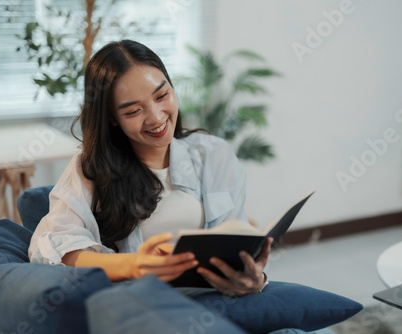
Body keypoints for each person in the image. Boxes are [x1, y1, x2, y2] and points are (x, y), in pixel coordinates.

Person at [28, 39, 272, 297]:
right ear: (111, 118)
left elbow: (234, 237)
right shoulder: (92, 167)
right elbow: (50, 247)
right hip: (144, 306)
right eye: (133, 111)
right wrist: (136, 266)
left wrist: (251, 276)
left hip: (217, 301)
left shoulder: (213, 153)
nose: (156, 118)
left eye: (162, 95)